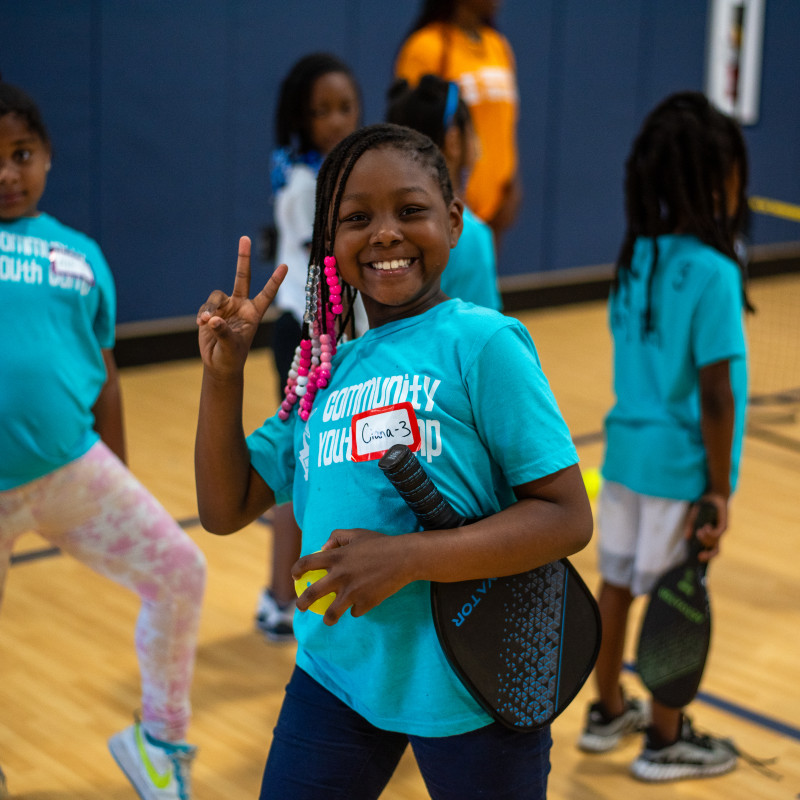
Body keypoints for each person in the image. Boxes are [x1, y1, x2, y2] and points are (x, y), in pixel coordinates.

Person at [195, 122, 593, 800]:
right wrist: (223, 375)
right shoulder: (324, 374)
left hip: (473, 680)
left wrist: (405, 558)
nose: (384, 233)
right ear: (329, 242)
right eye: (357, 218)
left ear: (454, 221)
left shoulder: (482, 343)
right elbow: (224, 507)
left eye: (410, 210)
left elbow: (566, 517)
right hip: (336, 674)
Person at [0, 82, 206, 800]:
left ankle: (160, 743)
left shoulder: (80, 255)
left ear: (47, 157)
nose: (7, 172)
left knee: (180, 570)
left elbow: (107, 376)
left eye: (21, 153)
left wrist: (120, 473)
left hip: (69, 472)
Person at [577, 91, 751, 782]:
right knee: (679, 599)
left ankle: (607, 710)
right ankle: (665, 740)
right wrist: (719, 489)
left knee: (616, 585)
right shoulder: (714, 271)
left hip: (625, 457)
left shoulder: (636, 258)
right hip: (681, 469)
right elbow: (716, 394)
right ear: (714, 178)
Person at [255, 53, 361, 642]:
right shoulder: (306, 184)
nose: (336, 120)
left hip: (328, 331)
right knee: (297, 468)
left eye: (346, 107)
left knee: (316, 464)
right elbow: (327, 266)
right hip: (305, 333)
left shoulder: (334, 173)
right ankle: (279, 597)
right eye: (322, 111)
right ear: (302, 119)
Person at [394, 0, 521, 240]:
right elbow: (409, 130)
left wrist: (513, 184)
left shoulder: (498, 45)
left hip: (497, 208)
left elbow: (506, 124)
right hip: (447, 206)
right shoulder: (425, 47)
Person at [386, 73, 502, 310]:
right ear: (454, 140)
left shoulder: (379, 226)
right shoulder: (469, 233)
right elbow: (482, 327)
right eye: (473, 129)